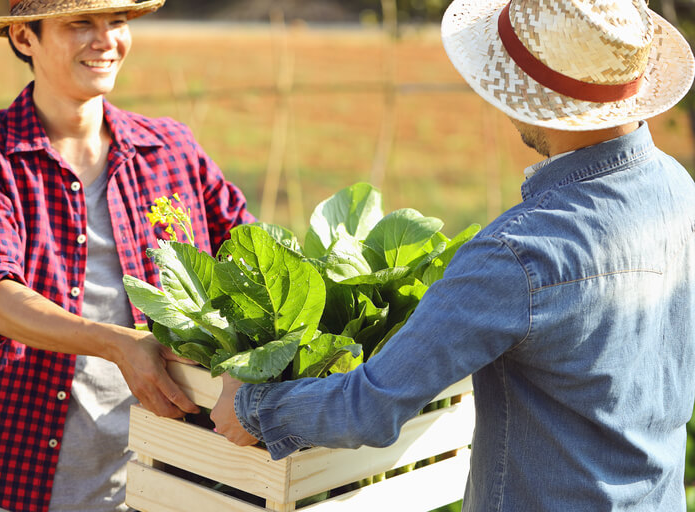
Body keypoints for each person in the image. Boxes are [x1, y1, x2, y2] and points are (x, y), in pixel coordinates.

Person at [211, 0, 695, 510]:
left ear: (531, 97)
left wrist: (250, 408)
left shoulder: (517, 253)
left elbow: (368, 409)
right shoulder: (678, 189)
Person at [0, 1, 255, 511]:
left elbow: (252, 255)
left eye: (117, 22)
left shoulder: (170, 147)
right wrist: (120, 344)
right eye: (81, 24)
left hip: (180, 477)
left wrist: (248, 355)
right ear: (23, 37)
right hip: (40, 480)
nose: (106, 40)